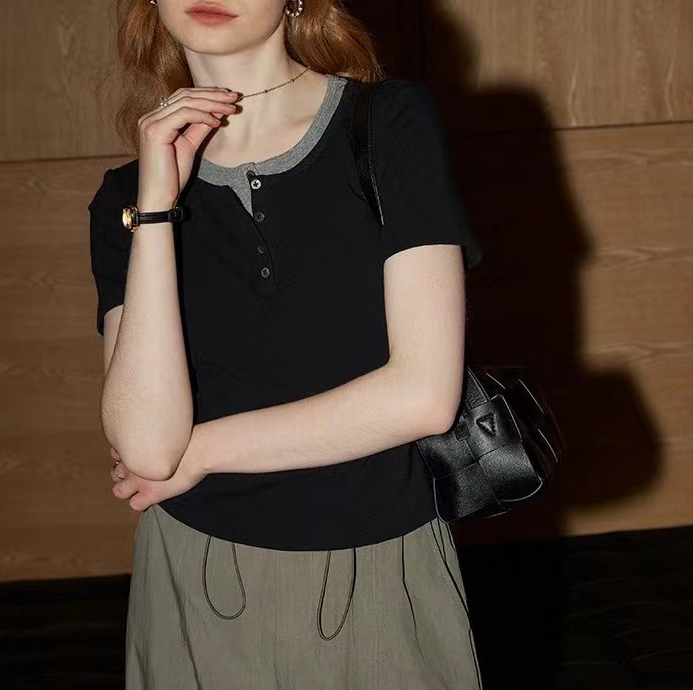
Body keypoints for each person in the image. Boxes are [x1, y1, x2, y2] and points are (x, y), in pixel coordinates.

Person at [89, 0, 485, 687]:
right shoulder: (126, 196)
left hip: (377, 566)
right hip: (192, 576)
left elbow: (422, 396)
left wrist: (200, 451)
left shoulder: (386, 122)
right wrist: (155, 210)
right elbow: (147, 450)